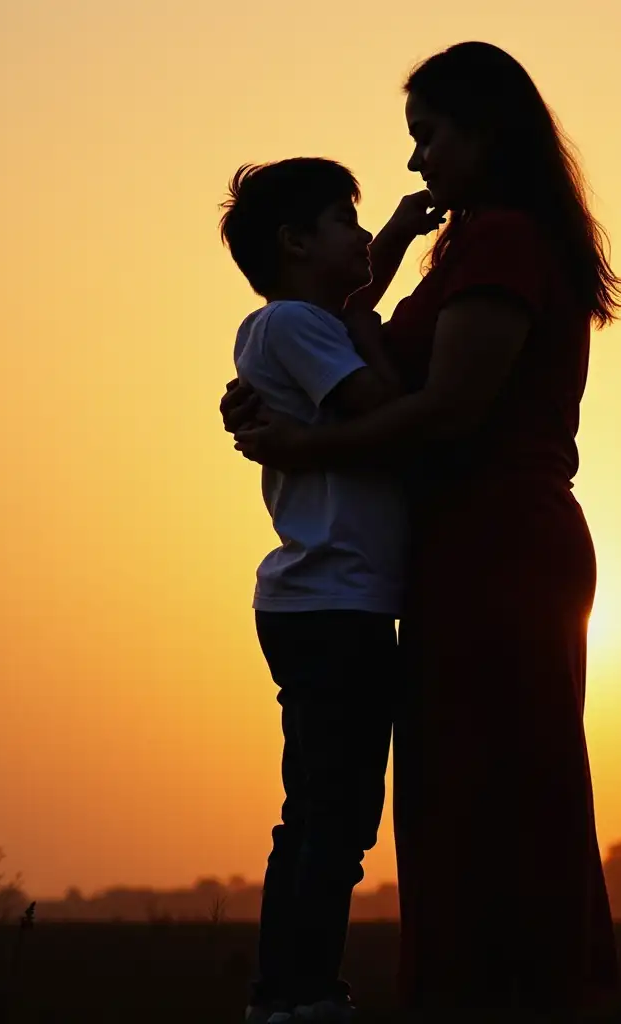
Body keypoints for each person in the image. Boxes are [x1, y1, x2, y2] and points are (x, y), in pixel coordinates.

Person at [222, 41, 621, 1019]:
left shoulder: (502, 243)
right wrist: (294, 381)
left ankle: (516, 994)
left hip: (501, 548)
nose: (416, 164)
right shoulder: (467, 242)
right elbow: (361, 346)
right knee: (454, 797)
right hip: (454, 556)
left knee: (498, 791)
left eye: (428, 137)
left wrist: (299, 445)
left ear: (483, 130)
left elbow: (446, 409)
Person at [218, 157, 437, 1024]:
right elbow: (376, 401)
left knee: (317, 813)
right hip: (331, 605)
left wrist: (393, 232)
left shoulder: (295, 322)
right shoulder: (298, 329)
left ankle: (288, 990)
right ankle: (300, 994)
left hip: (325, 603)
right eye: (342, 220)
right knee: (334, 820)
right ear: (296, 241)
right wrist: (383, 342)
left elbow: (353, 293)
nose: (359, 236)